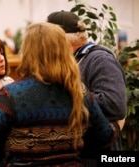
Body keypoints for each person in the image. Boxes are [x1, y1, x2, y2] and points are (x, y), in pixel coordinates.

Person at [0, 22, 124, 167]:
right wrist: (118, 125)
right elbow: (104, 137)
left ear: (27, 52)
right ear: (63, 50)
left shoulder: (8, 95)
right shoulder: (79, 92)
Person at [47, 11, 127, 153]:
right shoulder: (71, 59)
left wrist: (63, 97)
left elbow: (115, 104)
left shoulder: (100, 59)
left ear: (61, 40)